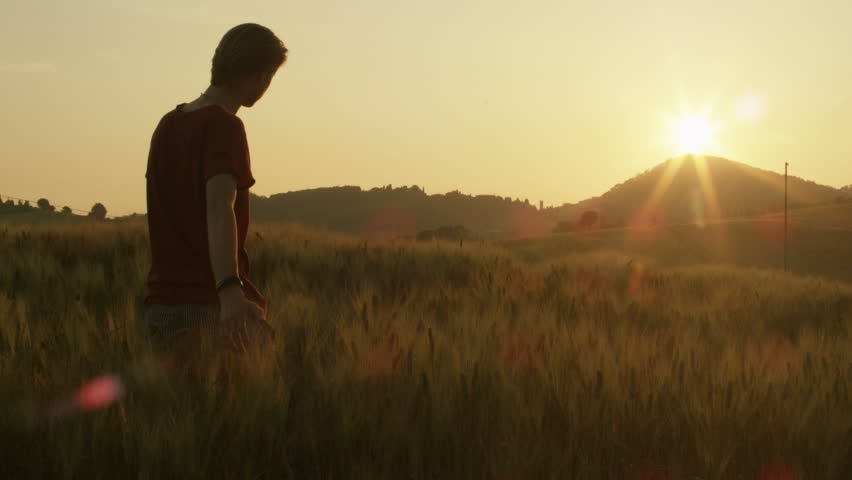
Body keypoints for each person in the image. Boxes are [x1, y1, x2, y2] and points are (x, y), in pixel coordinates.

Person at [144, 23, 287, 360]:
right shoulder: (225, 126)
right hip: (210, 308)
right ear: (261, 76)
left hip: (160, 310)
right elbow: (219, 207)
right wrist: (230, 291)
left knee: (170, 412)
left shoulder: (167, 124)